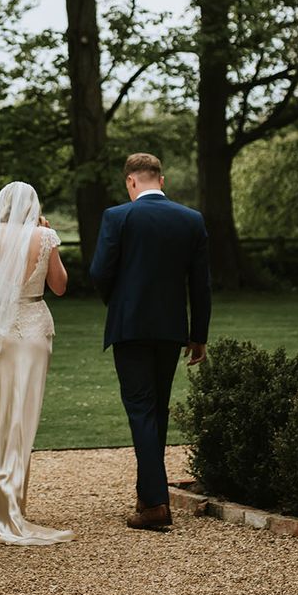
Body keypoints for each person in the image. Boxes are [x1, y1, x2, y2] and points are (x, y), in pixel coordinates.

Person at [90, 153, 212, 530]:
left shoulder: (118, 217)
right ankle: (148, 494)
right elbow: (200, 285)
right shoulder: (190, 219)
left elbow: (98, 273)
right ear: (162, 179)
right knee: (156, 409)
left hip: (130, 327)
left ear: (131, 182)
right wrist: (198, 336)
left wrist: (119, 300)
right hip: (171, 330)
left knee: (141, 409)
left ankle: (156, 503)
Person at [0, 181, 75, 545]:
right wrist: (45, 241)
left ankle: (2, 508)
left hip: (0, 333)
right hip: (34, 331)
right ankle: (11, 508)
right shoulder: (44, 236)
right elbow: (59, 287)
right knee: (23, 420)